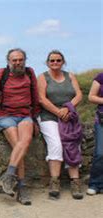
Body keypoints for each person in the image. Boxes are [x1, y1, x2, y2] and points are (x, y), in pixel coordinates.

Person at [0, 48, 40, 206]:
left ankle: (7, 177)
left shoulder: (30, 73)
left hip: (25, 115)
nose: (17, 63)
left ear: (25, 60)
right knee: (18, 145)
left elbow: (35, 97)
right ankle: (22, 188)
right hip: (5, 116)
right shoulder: (1, 74)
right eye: (14, 60)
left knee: (26, 140)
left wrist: (35, 120)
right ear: (8, 61)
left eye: (20, 59)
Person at [37, 50, 84, 199]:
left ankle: (75, 181)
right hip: (48, 116)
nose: (55, 63)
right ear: (47, 62)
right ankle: (55, 181)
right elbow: (42, 99)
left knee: (72, 144)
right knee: (56, 144)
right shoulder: (43, 77)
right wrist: (58, 112)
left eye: (58, 60)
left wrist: (67, 108)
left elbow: (79, 95)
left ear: (63, 62)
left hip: (69, 116)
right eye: (52, 61)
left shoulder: (70, 76)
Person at [87, 72, 103, 196]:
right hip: (102, 120)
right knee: (100, 152)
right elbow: (91, 96)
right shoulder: (101, 76)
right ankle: (95, 184)